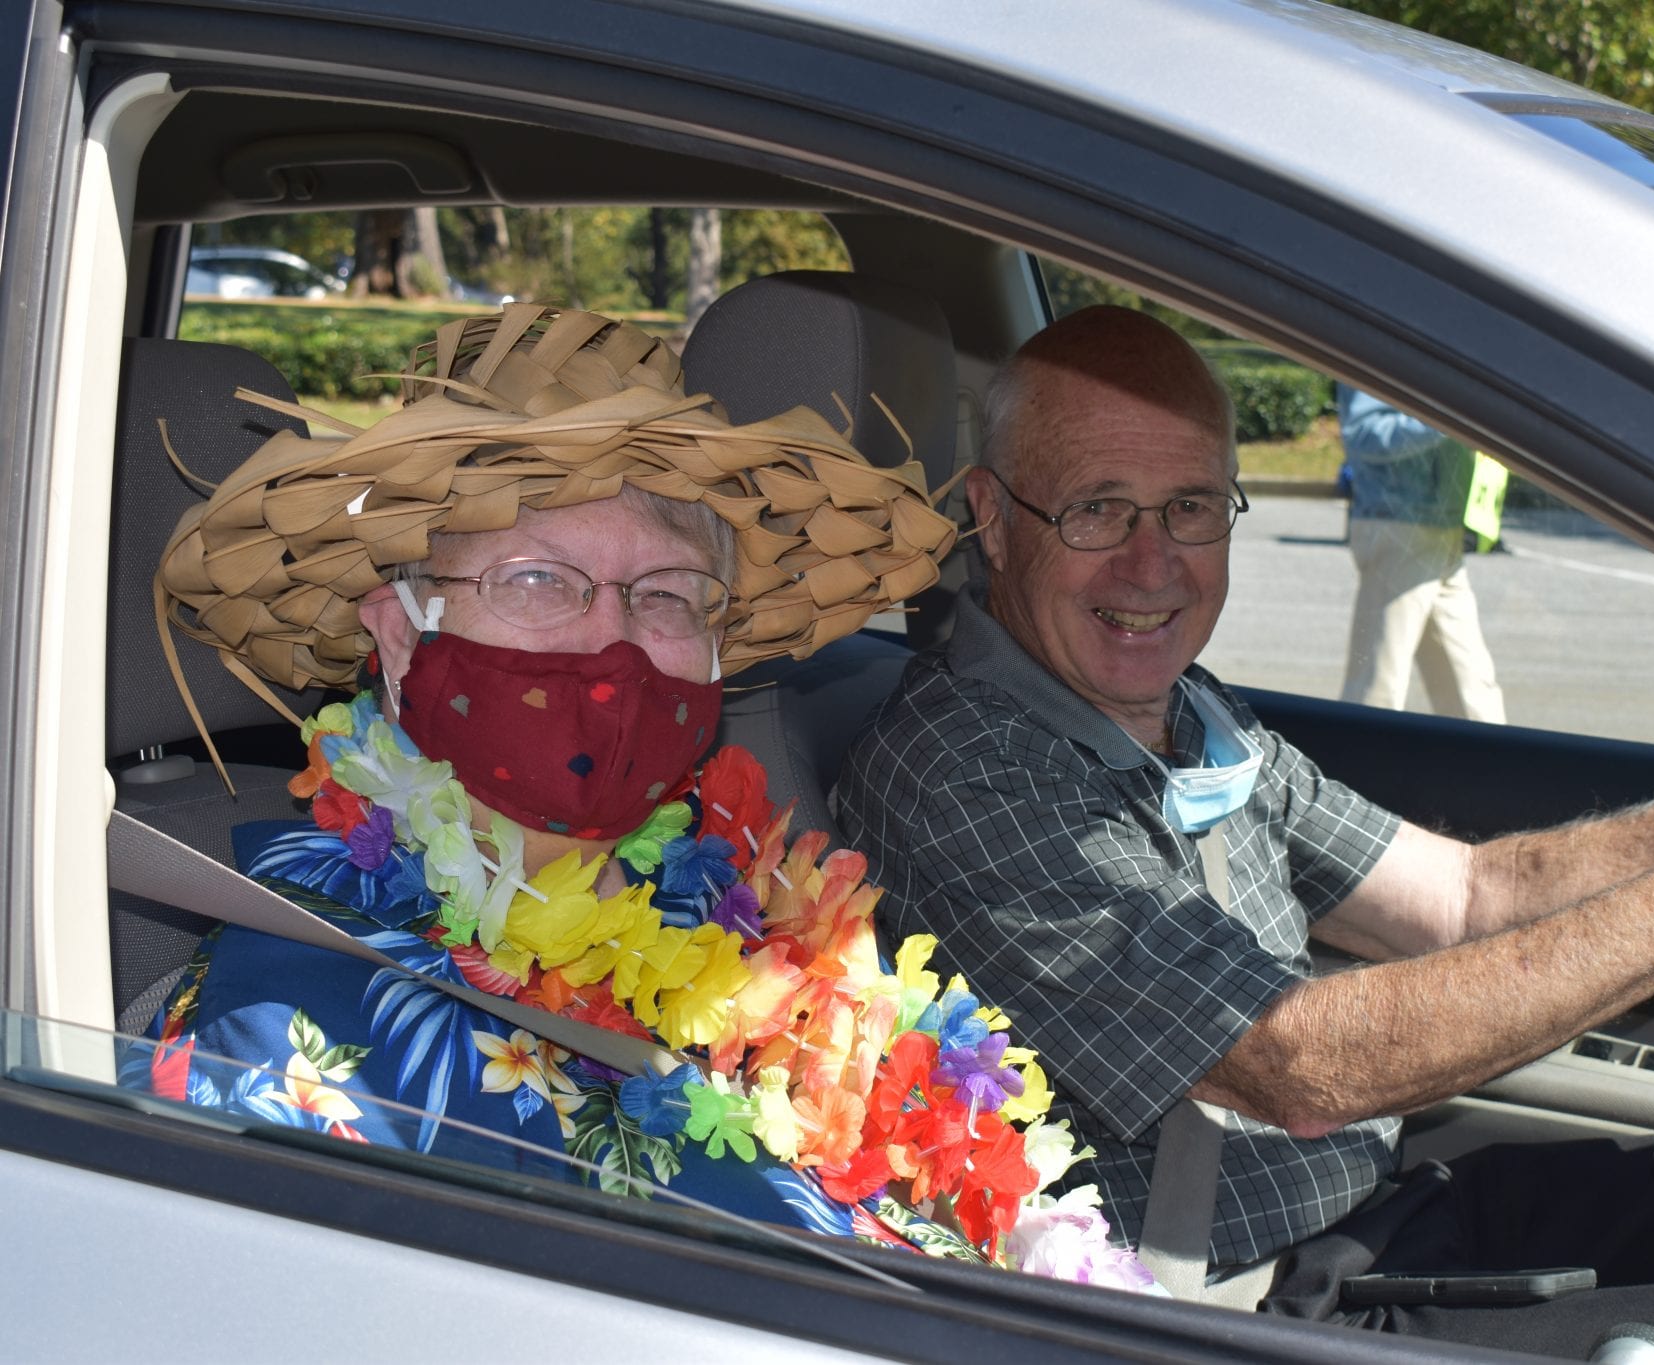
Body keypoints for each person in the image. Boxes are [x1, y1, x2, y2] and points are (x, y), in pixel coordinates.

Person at [835, 305, 1654, 1360]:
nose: (1152, 563)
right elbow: (1300, 1065)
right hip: (1237, 1302)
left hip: (1380, 1216)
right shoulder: (964, 767)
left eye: (1189, 507)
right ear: (990, 516)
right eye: (1096, 508)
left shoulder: (1186, 716)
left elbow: (1466, 896)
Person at [130, 306, 1152, 1286]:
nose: (609, 645)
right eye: (535, 580)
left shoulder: (746, 913)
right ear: (400, 638)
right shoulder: (289, 1034)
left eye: (664, 594)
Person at [1336, 383, 1505, 721]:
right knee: (1378, 687)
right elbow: (1362, 433)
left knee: (1470, 685)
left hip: (1443, 526)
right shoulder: (1377, 347)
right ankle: (1351, 767)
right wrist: (1450, 422)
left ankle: (1493, 765)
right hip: (1400, 526)